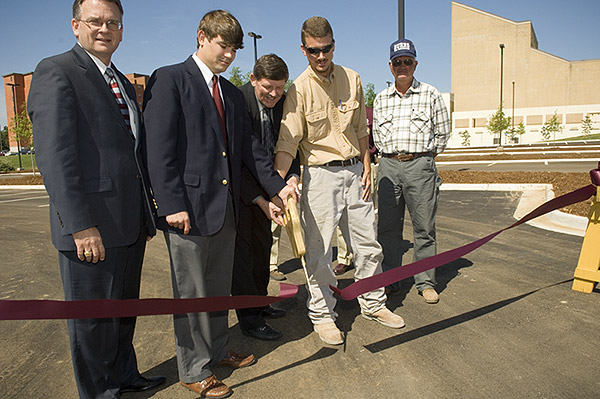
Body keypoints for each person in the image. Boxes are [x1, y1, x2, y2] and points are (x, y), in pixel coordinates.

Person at [142, 10, 296, 398]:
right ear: (201, 37)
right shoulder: (171, 79)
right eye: (222, 45)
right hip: (186, 212)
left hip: (224, 211)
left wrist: (277, 188)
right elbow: (158, 150)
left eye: (234, 49)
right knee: (192, 295)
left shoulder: (229, 92)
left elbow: (251, 151)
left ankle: (216, 350)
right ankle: (194, 370)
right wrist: (171, 203)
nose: (228, 55)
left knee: (216, 291)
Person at [27, 0, 165, 397]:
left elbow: (131, 154)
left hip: (129, 226)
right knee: (92, 323)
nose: (105, 29)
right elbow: (55, 157)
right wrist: (80, 224)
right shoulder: (57, 71)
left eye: (113, 22)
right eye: (95, 21)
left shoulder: (120, 79)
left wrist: (145, 213)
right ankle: (100, 392)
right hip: (90, 229)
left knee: (122, 314)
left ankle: (125, 376)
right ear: (75, 25)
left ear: (122, 29)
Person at [274, 16, 405, 346]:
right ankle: (322, 314)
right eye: (314, 51)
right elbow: (288, 144)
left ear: (334, 45)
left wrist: (366, 166)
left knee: (367, 245)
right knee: (319, 252)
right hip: (318, 177)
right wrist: (278, 187)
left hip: (355, 173)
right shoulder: (298, 90)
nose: (321, 57)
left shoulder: (353, 78)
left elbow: (361, 129)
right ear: (303, 50)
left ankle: (373, 304)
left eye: (327, 49)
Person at [372, 39, 450, 304]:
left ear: (415, 64)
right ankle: (391, 280)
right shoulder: (381, 98)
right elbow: (377, 136)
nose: (402, 66)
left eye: (407, 61)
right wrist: (390, 158)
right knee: (387, 229)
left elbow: (442, 133)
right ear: (390, 66)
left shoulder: (430, 94)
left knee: (424, 228)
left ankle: (425, 281)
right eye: (397, 62)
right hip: (388, 166)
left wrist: (423, 159)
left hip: (420, 165)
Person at [232, 54, 300, 341]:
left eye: (279, 88)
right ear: (252, 80)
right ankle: (249, 320)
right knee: (244, 259)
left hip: (273, 188)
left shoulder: (283, 103)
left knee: (262, 251)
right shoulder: (239, 101)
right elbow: (244, 156)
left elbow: (290, 141)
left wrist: (293, 177)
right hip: (244, 192)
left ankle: (260, 303)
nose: (273, 94)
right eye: (267, 88)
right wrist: (264, 197)